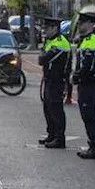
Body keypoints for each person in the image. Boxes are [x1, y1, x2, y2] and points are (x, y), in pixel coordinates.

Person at [72, 5, 95, 159]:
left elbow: (88, 66)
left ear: (91, 24)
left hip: (89, 84)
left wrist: (78, 76)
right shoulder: (86, 40)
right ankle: (93, 146)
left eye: (82, 23)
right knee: (87, 116)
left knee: (89, 115)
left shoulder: (91, 41)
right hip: (87, 84)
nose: (79, 25)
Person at [37, 16, 70, 149]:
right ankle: (51, 134)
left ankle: (59, 138)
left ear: (55, 28)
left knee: (56, 109)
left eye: (47, 28)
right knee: (47, 107)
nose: (45, 31)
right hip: (49, 78)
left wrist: (43, 56)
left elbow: (43, 58)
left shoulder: (61, 43)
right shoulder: (50, 41)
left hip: (57, 80)